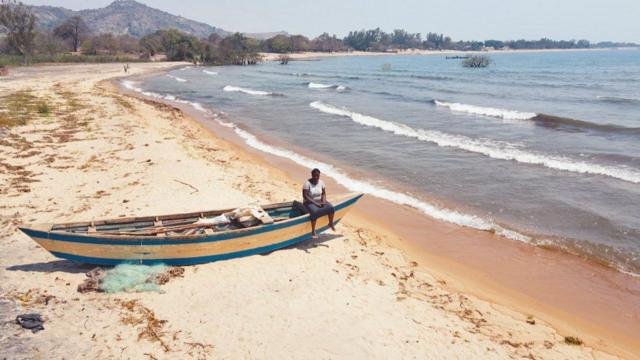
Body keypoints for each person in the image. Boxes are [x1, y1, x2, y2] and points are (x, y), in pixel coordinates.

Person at [302, 168, 335, 238]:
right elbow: (305, 196)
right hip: (308, 202)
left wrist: (323, 201)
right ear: (312, 175)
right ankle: (313, 231)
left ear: (319, 175)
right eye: (314, 175)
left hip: (319, 200)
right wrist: (316, 203)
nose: (316, 177)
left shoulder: (321, 182)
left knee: (331, 208)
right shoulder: (307, 184)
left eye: (317, 176)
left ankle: (330, 223)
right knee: (315, 212)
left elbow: (323, 193)